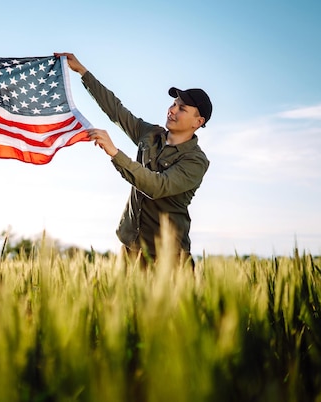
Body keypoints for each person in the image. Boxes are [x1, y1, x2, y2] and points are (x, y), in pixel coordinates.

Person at [55, 52, 212, 268]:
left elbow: (157, 186)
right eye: (174, 104)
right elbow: (117, 111)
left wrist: (114, 152)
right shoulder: (151, 134)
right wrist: (82, 72)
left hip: (168, 259)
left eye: (182, 108)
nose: (172, 110)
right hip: (130, 250)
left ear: (198, 121)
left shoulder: (196, 161)